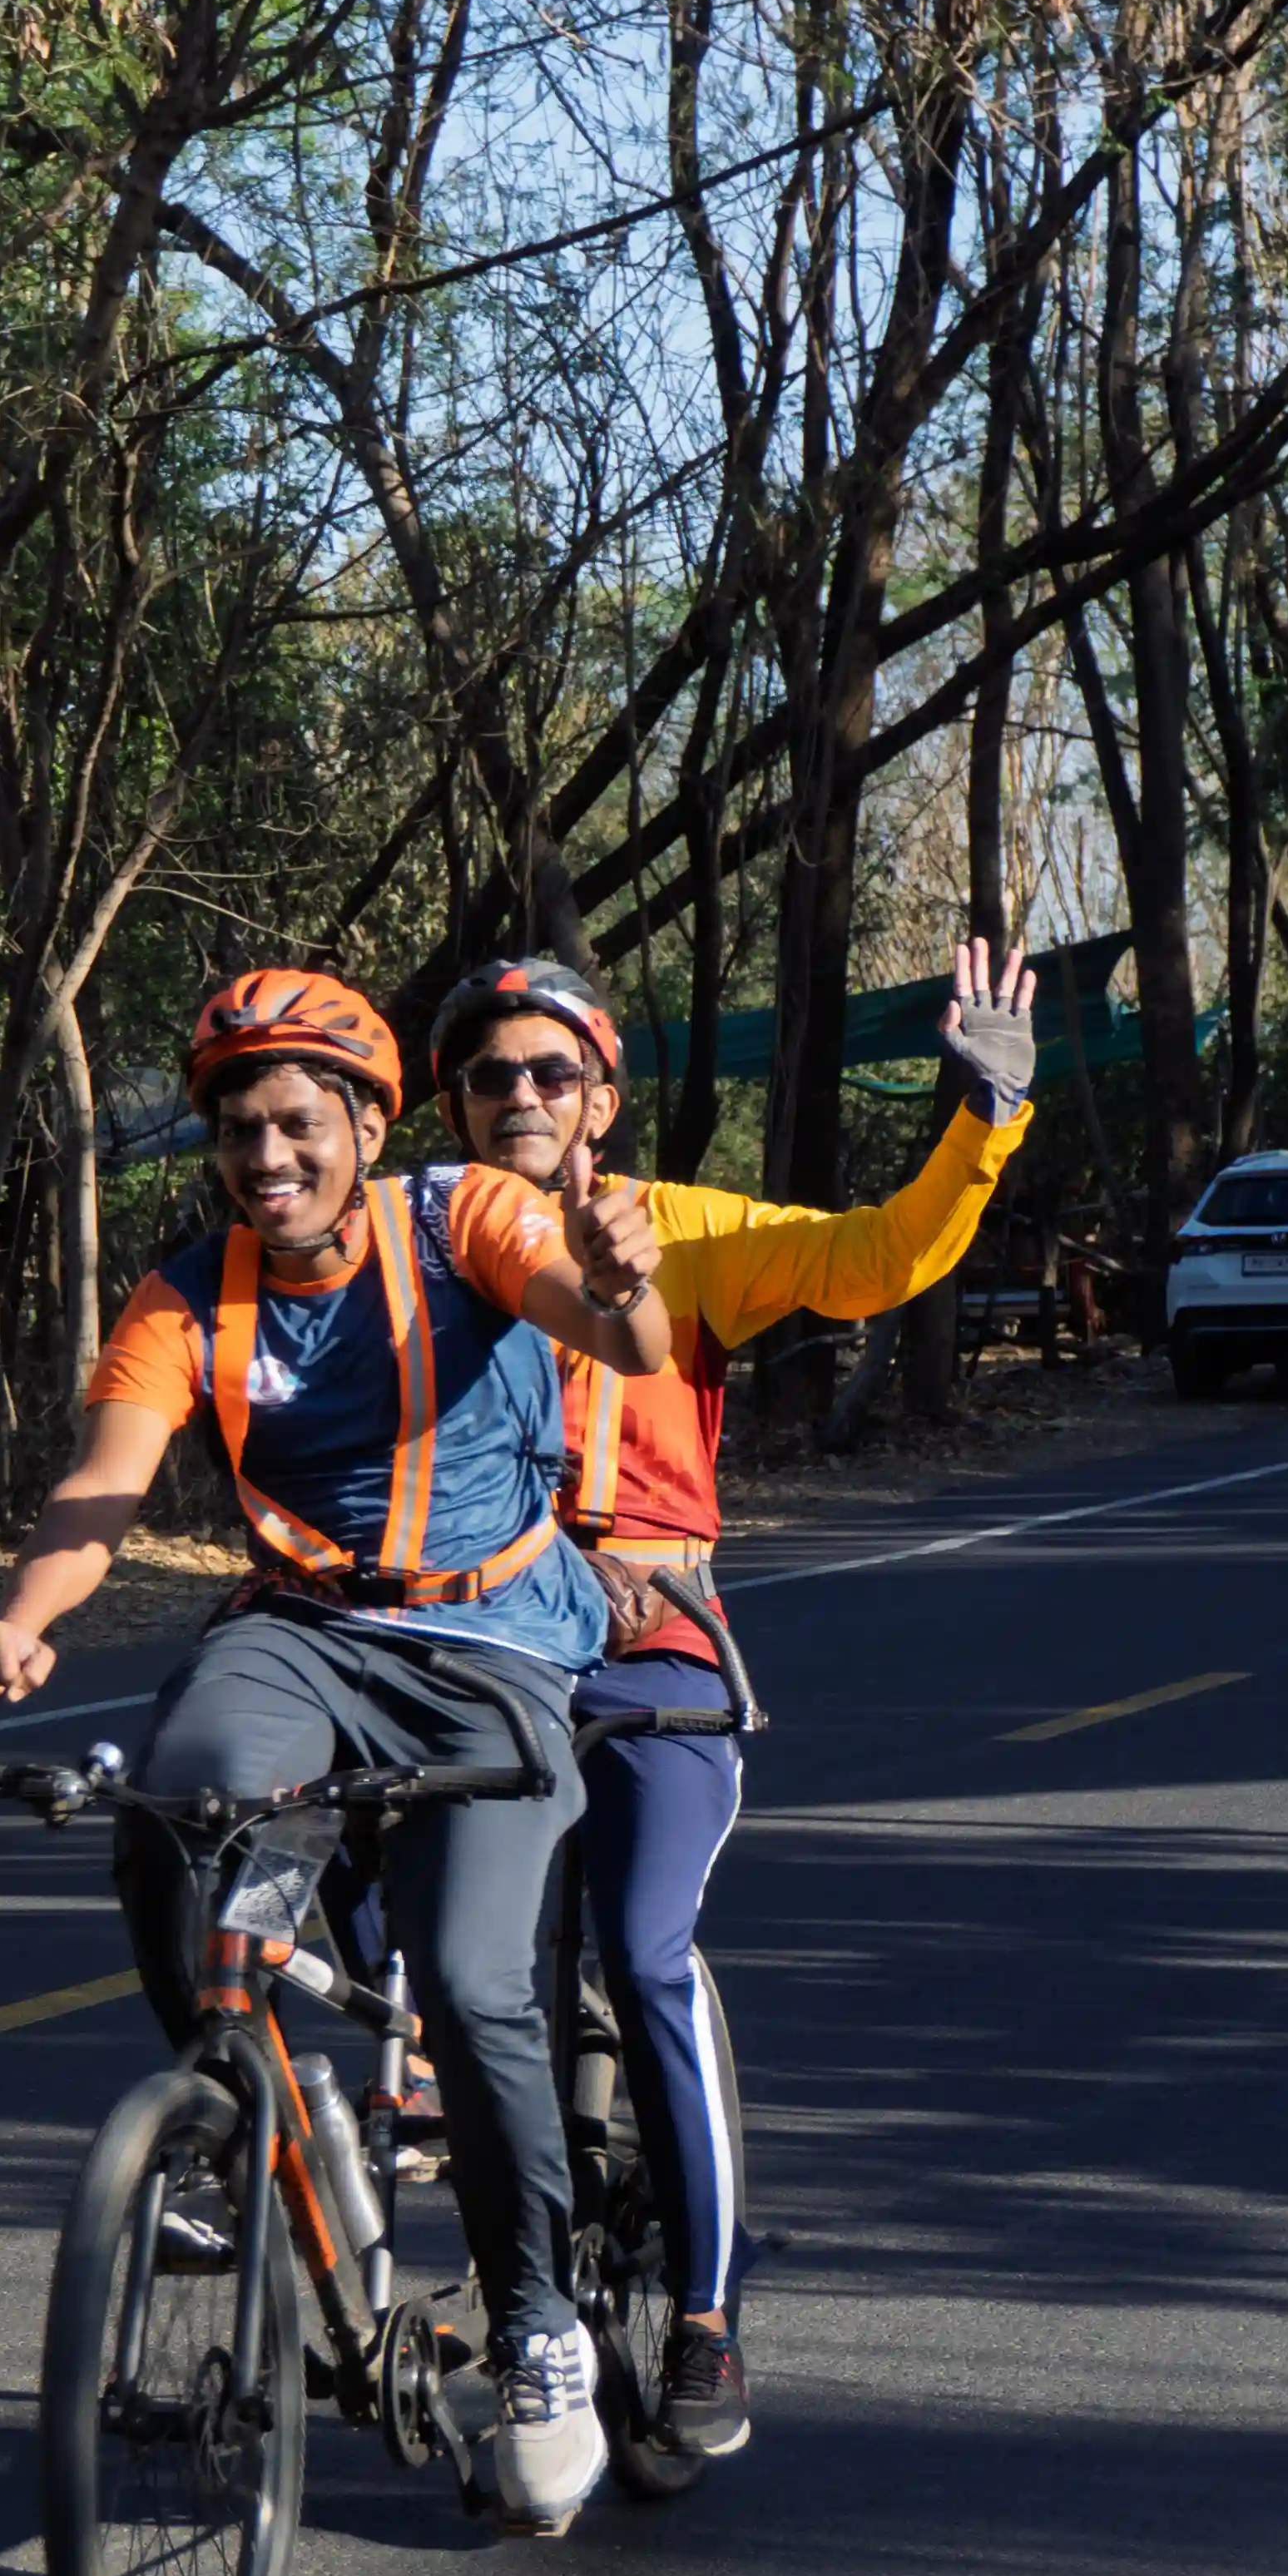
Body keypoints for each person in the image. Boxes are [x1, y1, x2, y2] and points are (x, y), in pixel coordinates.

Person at [0, 967, 676, 2533]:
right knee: (169, 1807)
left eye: (294, 1124)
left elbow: (614, 1332)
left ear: (363, 1123)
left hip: (492, 1640)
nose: (264, 1157)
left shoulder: (464, 1216)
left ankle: (539, 2325)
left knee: (474, 1979)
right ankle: (235, 2115)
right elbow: (98, 1496)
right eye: (233, 1130)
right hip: (308, 1632)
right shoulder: (185, 1294)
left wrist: (622, 1282)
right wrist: (23, 1618)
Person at [421, 934, 1038, 2464]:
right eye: (489, 1074)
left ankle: (703, 2319)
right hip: (471, 1640)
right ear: (449, 1101)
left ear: (604, 1102)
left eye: (550, 1072)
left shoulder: (686, 1236)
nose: (519, 1095)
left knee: (641, 1948)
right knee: (363, 1926)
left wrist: (982, 1122)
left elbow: (878, 1256)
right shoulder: (413, 1240)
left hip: (651, 1642)